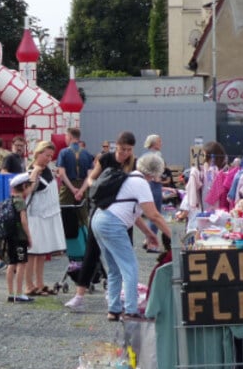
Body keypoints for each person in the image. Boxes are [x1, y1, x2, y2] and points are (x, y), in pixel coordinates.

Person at [90, 153, 172, 319]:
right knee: (130, 267)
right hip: (113, 224)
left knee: (114, 269)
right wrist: (172, 236)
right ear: (155, 172)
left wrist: (149, 233)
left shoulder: (129, 177)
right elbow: (154, 215)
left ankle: (114, 309)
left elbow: (133, 214)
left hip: (99, 219)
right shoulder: (141, 183)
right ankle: (130, 310)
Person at [65, 131, 137, 311]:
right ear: (116, 146)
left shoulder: (133, 164)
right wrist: (96, 186)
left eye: (128, 150)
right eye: (122, 149)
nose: (125, 153)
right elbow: (91, 178)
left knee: (123, 257)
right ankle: (79, 295)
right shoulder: (106, 159)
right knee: (91, 252)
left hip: (122, 215)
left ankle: (119, 295)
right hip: (102, 210)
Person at [25, 140, 66, 296]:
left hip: (47, 216)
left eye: (51, 156)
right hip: (35, 216)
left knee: (42, 253)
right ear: (38, 153)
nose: (49, 159)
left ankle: (40, 283)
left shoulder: (48, 170)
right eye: (47, 155)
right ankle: (29, 285)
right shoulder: (31, 170)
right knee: (32, 252)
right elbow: (27, 191)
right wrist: (35, 172)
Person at [55, 127, 94, 228]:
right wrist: (81, 191)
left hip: (67, 188)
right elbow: (90, 176)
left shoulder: (63, 152)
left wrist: (73, 189)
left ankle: (65, 236)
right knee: (83, 216)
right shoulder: (87, 154)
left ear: (70, 137)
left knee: (63, 213)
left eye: (66, 137)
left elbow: (62, 174)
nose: (65, 139)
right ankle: (84, 236)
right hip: (83, 187)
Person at [4, 173, 34, 303]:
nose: (30, 189)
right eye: (29, 186)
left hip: (10, 236)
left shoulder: (10, 200)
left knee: (11, 263)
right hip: (19, 237)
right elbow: (23, 221)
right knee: (21, 264)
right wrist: (29, 237)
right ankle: (19, 293)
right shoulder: (21, 201)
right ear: (24, 186)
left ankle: (11, 293)